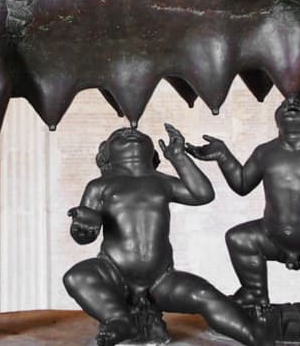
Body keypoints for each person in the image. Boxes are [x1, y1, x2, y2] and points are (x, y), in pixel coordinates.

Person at [64, 125, 271, 346]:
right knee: (77, 277)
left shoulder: (162, 181)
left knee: (205, 295)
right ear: (106, 153)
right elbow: (84, 234)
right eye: (119, 136)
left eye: (140, 135)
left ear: (152, 152)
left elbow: (202, 194)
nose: (130, 133)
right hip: (113, 271)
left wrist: (179, 157)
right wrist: (84, 226)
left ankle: (255, 337)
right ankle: (118, 319)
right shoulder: (99, 185)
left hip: (162, 278)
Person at [187, 91, 300, 313]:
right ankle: (254, 292)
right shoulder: (265, 152)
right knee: (239, 238)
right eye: (287, 101)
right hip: (270, 235)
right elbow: (242, 184)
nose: (292, 102)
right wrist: (223, 155)